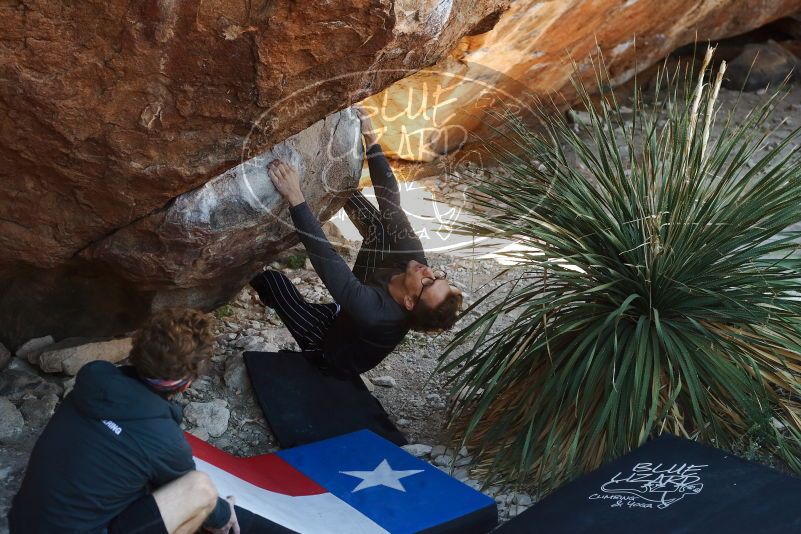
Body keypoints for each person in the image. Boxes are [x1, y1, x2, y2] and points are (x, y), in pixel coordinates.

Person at [250, 105, 463, 375]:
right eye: (439, 275)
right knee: (380, 227)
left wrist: (295, 197)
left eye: (428, 282)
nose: (429, 271)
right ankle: (339, 188)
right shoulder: (416, 264)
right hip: (347, 311)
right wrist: (372, 141)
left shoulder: (375, 313)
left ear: (409, 302)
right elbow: (390, 204)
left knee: (274, 282)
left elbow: (325, 259)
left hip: (327, 348)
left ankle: (256, 281)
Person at [8, 308, 240, 534]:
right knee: (200, 489)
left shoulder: (93, 380)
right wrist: (223, 514)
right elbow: (203, 506)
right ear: (186, 382)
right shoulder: (162, 437)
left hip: (22, 523)